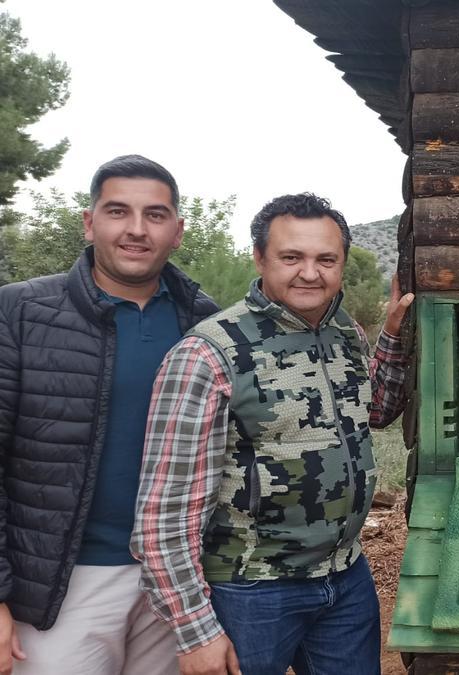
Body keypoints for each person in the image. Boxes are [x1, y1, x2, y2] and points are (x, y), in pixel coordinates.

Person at [131, 193, 414, 675]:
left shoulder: (344, 333)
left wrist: (391, 334)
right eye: (292, 257)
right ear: (260, 257)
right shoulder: (207, 354)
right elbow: (162, 515)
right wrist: (195, 630)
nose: (311, 273)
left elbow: (376, 412)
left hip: (344, 579)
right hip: (250, 589)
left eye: (326, 259)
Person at [0, 155, 219, 675]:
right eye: (118, 211)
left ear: (179, 231)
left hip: (177, 581)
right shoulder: (20, 313)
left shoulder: (206, 323)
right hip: (58, 585)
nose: (137, 230)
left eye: (156, 215)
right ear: (89, 220)